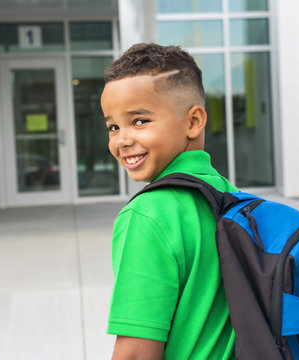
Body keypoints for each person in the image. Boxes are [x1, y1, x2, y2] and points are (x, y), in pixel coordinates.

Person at [101, 43, 237, 360]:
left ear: (193, 122)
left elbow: (135, 353)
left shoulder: (147, 215)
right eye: (113, 126)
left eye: (140, 121)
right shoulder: (230, 195)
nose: (122, 139)